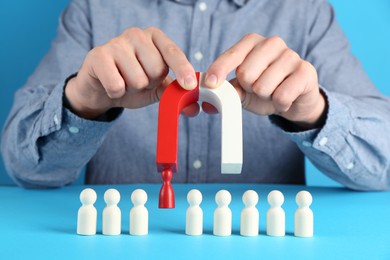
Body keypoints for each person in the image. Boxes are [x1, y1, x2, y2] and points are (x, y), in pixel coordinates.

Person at [1, 0, 389, 190]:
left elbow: (385, 161)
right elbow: (24, 167)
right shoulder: (96, 8)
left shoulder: (303, 12)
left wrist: (313, 112)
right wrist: (82, 102)